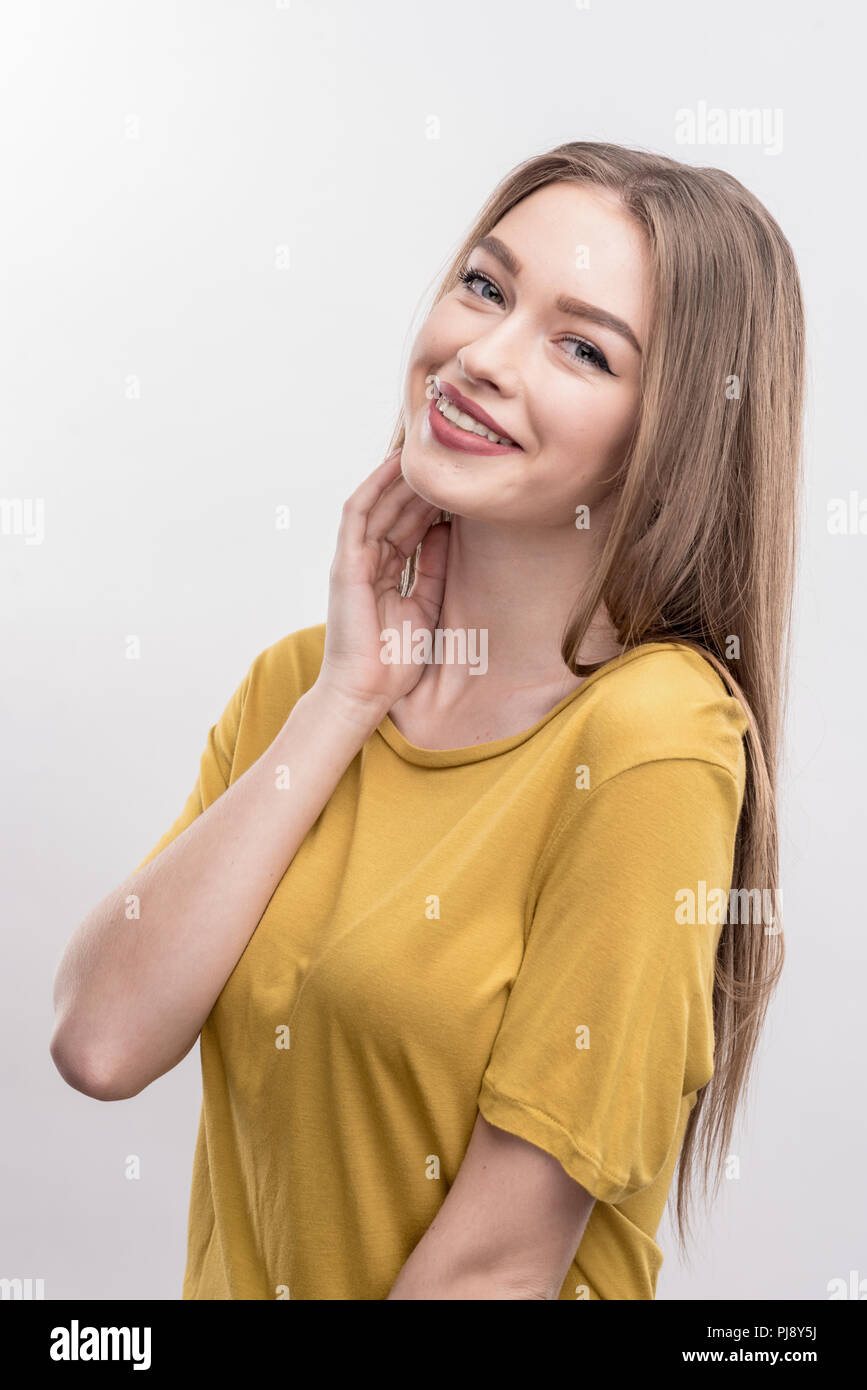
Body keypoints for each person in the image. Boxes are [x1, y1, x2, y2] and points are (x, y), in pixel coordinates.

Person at [49, 141, 804, 1300]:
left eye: (583, 347)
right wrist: (344, 704)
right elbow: (99, 1041)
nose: (484, 357)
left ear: (671, 437)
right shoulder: (298, 689)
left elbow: (493, 1273)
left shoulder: (654, 736)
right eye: (486, 287)